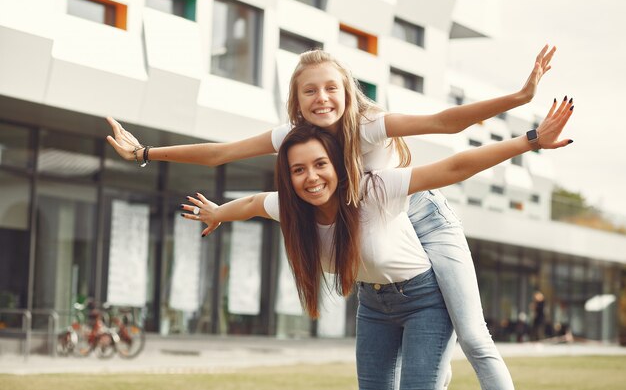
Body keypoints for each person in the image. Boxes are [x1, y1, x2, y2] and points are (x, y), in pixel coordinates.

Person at [106, 46, 556, 390]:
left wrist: (521, 102)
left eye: (330, 89)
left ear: (346, 92)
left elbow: (445, 124)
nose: (321, 99)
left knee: (474, 338)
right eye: (309, 91)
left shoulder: (367, 125)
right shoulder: (296, 146)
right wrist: (145, 153)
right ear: (296, 103)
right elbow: (222, 154)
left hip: (419, 212)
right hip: (371, 238)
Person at [181, 101, 573, 389]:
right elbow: (250, 203)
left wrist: (531, 140)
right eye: (298, 170)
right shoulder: (294, 208)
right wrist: (217, 213)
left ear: (338, 165)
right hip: (373, 305)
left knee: (470, 342)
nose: (311, 178)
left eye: (320, 165)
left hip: (425, 301)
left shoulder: (374, 189)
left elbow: (457, 166)